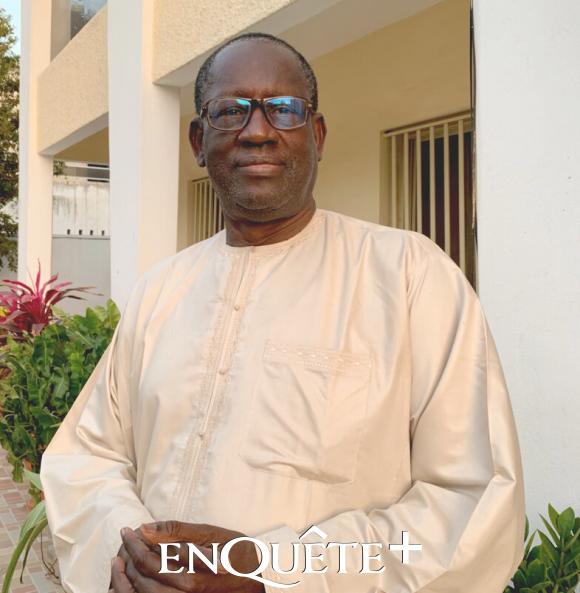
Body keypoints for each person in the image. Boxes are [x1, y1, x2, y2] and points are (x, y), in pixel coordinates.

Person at [40, 32, 526, 593]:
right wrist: (134, 556)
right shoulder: (161, 290)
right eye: (231, 111)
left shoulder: (410, 276)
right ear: (199, 141)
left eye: (284, 109)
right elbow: (88, 456)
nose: (258, 131)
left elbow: (471, 504)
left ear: (316, 135)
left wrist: (270, 573)